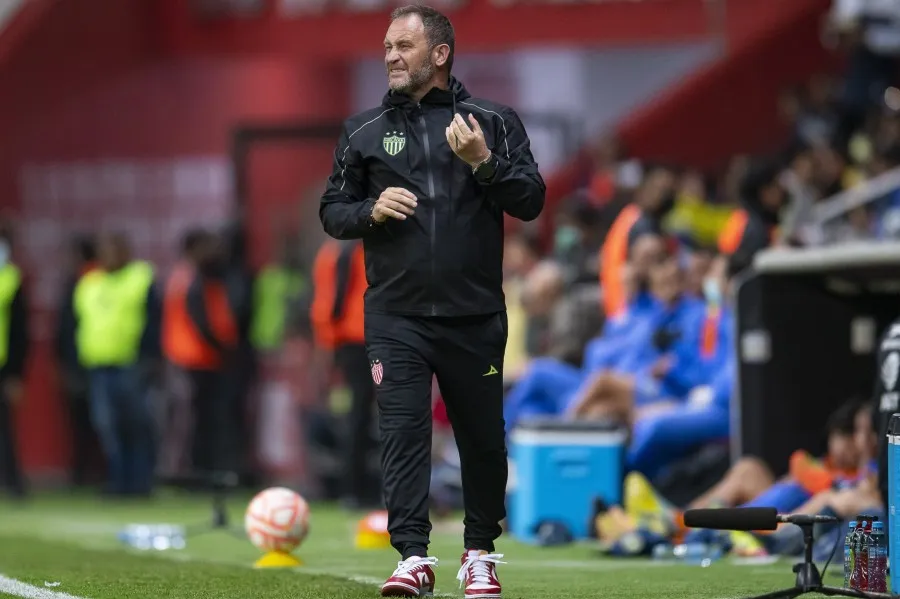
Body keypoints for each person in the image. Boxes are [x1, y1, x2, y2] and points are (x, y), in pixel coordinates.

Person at [319, 5, 545, 597]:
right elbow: (331, 211)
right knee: (401, 431)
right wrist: (368, 210)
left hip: (474, 315)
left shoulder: (493, 122)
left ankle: (479, 553)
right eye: (387, 45)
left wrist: (484, 165)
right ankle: (413, 557)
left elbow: (531, 200)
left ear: (439, 54)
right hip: (396, 315)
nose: (390, 55)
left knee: (481, 438)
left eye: (403, 45)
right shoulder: (363, 131)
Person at [74, 232, 161, 496]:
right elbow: (75, 323)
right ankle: (117, 483)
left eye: (114, 249)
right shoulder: (89, 283)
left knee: (137, 425)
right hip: (99, 366)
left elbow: (155, 321)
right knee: (108, 428)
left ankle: (141, 483)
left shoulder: (140, 278)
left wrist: (151, 359)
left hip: (132, 365)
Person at [309, 239, 374, 509]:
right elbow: (334, 300)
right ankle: (355, 490)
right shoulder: (349, 252)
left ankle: (355, 490)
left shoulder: (333, 252)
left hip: (353, 341)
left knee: (359, 417)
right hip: (359, 341)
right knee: (360, 417)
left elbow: (328, 302)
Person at [0, 223, 29, 498]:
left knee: (4, 429)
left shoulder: (10, 279)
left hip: (3, 365)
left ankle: (12, 483)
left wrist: (15, 374)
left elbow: (20, 330)